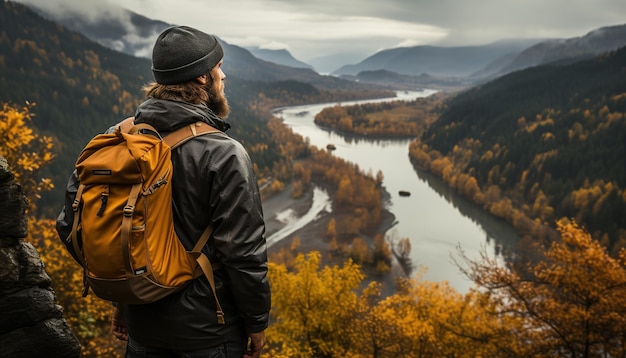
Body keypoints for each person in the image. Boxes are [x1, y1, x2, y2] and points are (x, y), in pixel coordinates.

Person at [56, 25, 270, 358]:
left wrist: (125, 292)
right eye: (218, 68)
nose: (223, 76)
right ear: (201, 78)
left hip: (142, 331)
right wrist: (257, 323)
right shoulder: (223, 153)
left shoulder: (118, 139)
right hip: (210, 335)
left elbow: (72, 224)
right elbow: (243, 252)